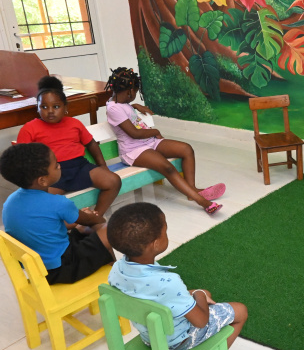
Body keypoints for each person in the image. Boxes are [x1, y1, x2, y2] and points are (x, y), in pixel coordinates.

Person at [107, 202, 248, 350]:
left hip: (149, 338)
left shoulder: (116, 270)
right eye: (165, 230)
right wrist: (199, 294)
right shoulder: (169, 282)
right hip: (178, 341)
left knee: (201, 295)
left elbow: (146, 296)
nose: (167, 233)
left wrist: (191, 295)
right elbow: (200, 321)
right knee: (239, 310)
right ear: (155, 244)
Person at [104, 67, 224, 214]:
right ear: (129, 91)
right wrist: (156, 131)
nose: (135, 94)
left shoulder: (119, 101)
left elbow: (123, 108)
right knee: (167, 167)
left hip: (149, 142)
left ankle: (191, 191)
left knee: (186, 149)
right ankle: (203, 202)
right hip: (134, 150)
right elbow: (134, 133)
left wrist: (135, 105)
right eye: (135, 92)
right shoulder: (113, 109)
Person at [0, 143, 114, 284]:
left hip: (39, 270)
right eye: (56, 165)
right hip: (64, 267)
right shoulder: (58, 203)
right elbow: (92, 220)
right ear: (43, 180)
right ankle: (117, 276)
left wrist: (78, 221)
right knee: (109, 229)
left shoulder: (10, 202)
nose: (60, 165)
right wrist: (90, 216)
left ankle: (111, 271)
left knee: (82, 228)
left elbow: (41, 227)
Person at [17, 76, 121, 216]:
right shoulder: (29, 128)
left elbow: (91, 143)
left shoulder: (74, 124)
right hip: (52, 174)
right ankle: (69, 222)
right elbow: (20, 158)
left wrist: (102, 165)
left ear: (65, 108)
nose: (50, 111)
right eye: (44, 107)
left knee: (113, 181)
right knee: (39, 201)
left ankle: (96, 216)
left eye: (56, 106)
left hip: (80, 168)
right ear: (37, 108)